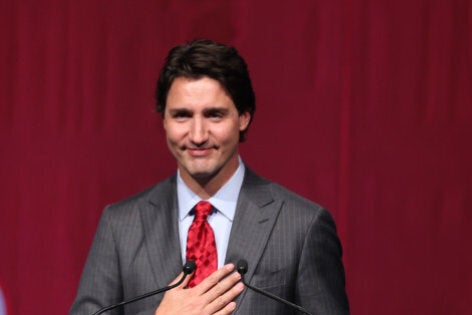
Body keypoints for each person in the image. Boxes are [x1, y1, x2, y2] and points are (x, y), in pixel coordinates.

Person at [70, 39, 349, 315]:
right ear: (164, 121)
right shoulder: (120, 226)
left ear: (243, 117)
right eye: (182, 116)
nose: (198, 135)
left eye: (214, 115)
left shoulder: (302, 226)